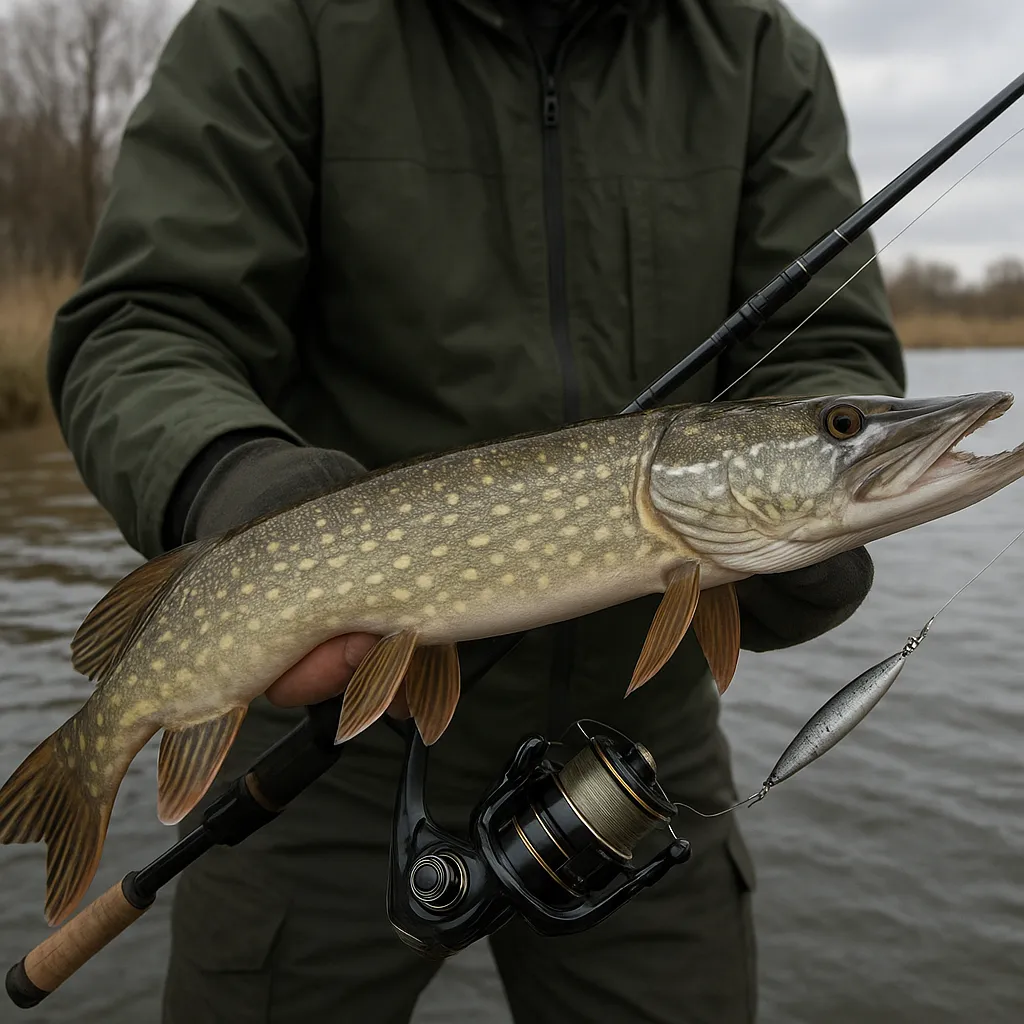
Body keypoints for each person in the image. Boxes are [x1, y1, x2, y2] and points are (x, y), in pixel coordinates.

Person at [48, 0, 906, 1020]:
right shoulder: (276, 23)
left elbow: (822, 357)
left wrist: (808, 532)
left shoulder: (756, 51)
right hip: (321, 754)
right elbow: (144, 325)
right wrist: (246, 491)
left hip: (636, 756)